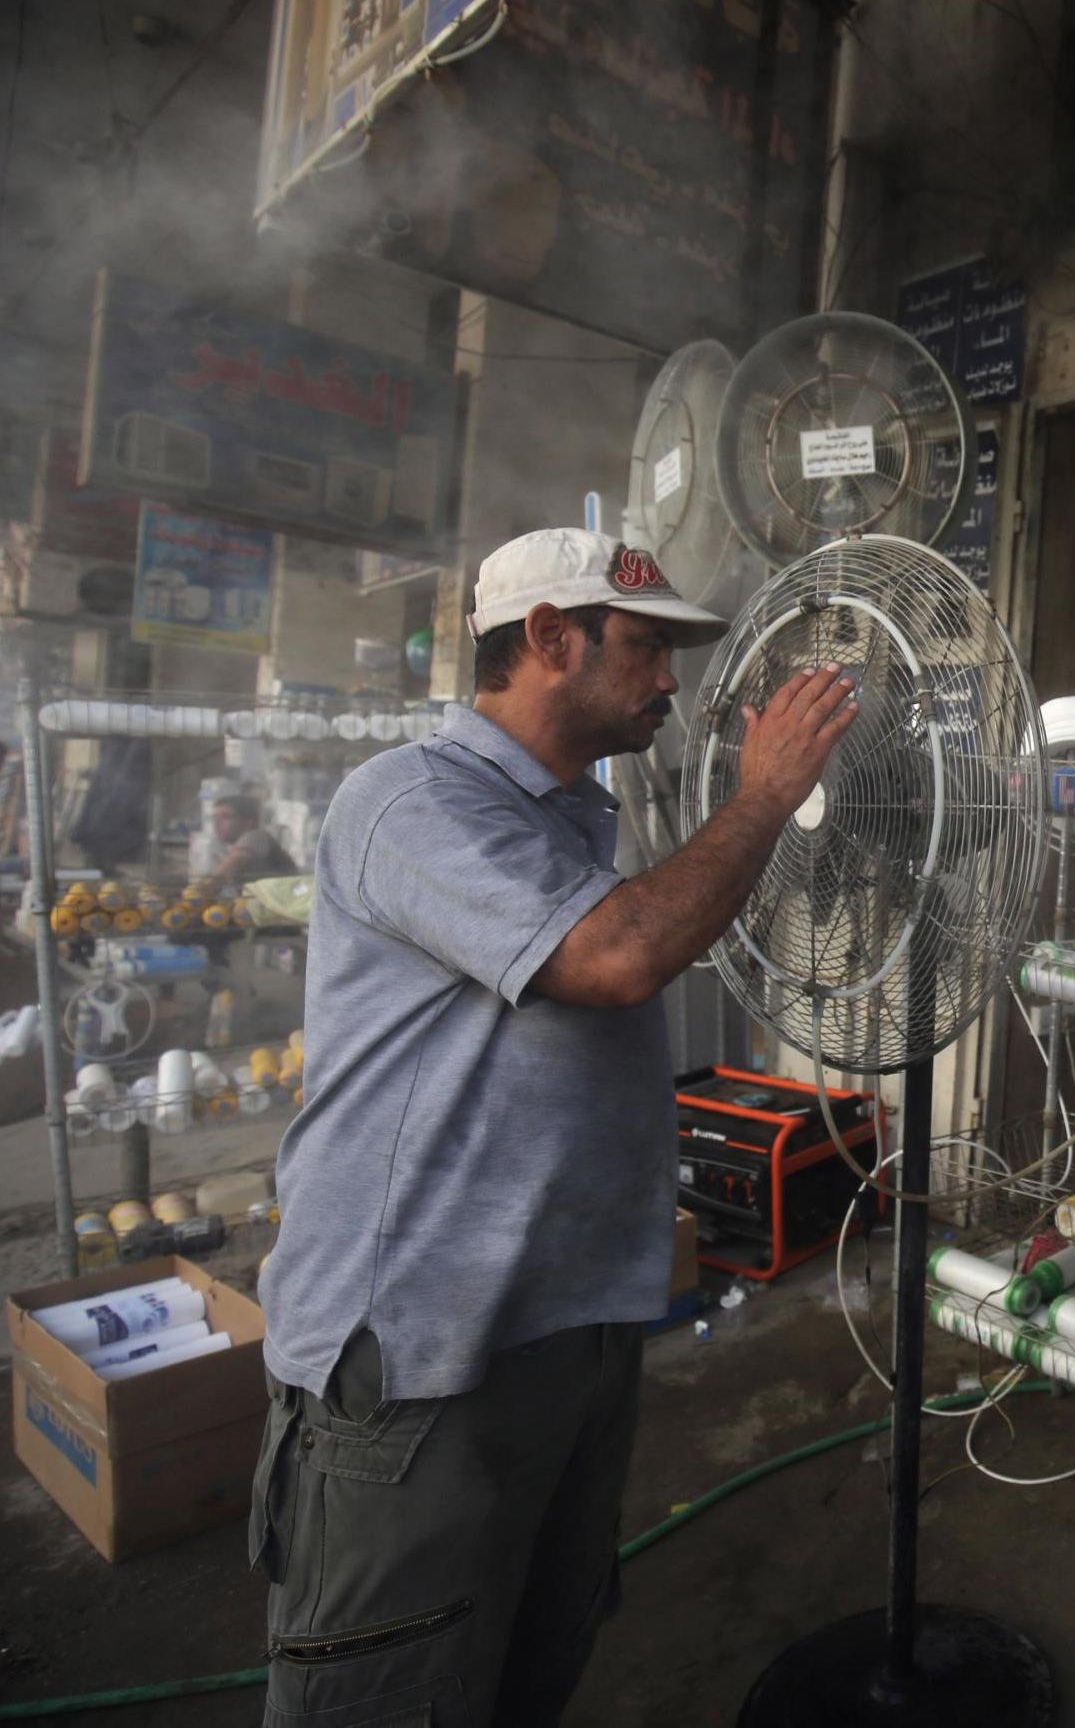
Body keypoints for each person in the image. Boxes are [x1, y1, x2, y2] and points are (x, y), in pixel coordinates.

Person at [251, 528, 858, 1725]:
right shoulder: (409, 802)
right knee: (393, 1689)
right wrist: (766, 797)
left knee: (533, 1656)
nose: (670, 681)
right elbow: (618, 955)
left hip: (565, 1339)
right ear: (545, 640)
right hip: (423, 1354)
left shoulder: (574, 816)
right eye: (643, 647)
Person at [200, 794, 295, 888]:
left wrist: (197, 892)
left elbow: (218, 877)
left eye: (226, 817)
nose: (216, 823)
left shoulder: (256, 837)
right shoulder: (226, 846)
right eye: (215, 817)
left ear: (248, 823)